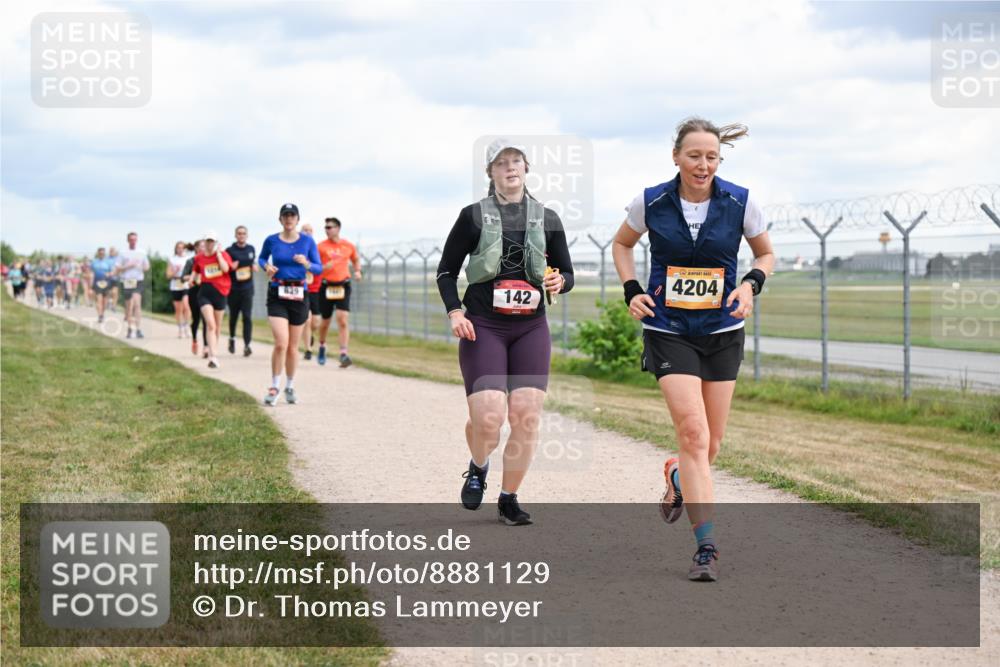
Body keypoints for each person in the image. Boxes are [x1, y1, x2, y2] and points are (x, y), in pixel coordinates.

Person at [612, 117, 775, 582]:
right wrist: (631, 289)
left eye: (711, 157)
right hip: (668, 327)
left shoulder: (741, 201)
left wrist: (750, 285)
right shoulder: (652, 201)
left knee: (711, 444)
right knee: (694, 435)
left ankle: (680, 478)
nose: (703, 165)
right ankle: (707, 547)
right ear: (676, 157)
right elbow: (622, 245)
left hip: (723, 329)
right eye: (694, 155)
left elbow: (765, 254)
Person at [436, 139, 574, 526]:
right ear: (490, 172)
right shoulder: (473, 216)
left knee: (526, 416)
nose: (509, 167)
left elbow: (568, 272)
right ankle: (478, 465)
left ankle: (509, 498)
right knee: (488, 419)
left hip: (530, 327)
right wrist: (454, 312)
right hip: (484, 326)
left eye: (516, 161)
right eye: (501, 163)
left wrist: (560, 281)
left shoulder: (547, 218)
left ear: (526, 168)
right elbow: (446, 271)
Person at [258, 203, 322, 406]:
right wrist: (266, 266)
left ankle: (290, 386)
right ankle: (275, 385)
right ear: (280, 219)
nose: (288, 219)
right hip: (277, 292)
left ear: (297, 219)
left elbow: (318, 268)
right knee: (280, 343)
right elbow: (261, 259)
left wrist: (306, 264)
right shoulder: (271, 240)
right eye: (285, 216)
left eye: (292, 216)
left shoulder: (307, 241)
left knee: (293, 348)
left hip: (299, 295)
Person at [316, 217, 362, 367]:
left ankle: (343, 353)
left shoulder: (348, 245)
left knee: (342, 319)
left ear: (338, 228)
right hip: (326, 286)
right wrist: (324, 268)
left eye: (330, 227)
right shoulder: (320, 247)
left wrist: (357, 271)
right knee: (325, 322)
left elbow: (355, 260)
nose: (327, 230)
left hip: (343, 285)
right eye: (326, 228)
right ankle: (322, 345)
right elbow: (314, 267)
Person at [192, 231, 233, 369]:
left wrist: (219, 254)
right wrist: (192, 279)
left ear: (216, 243)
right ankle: (213, 356)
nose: (209, 244)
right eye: (207, 241)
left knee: (217, 326)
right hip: (205, 293)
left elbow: (226, 268)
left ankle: (213, 350)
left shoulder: (223, 255)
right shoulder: (199, 257)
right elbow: (196, 270)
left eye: (212, 241)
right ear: (204, 242)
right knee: (210, 324)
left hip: (221, 293)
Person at [226, 225, 257, 357]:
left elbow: (253, 262)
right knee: (233, 317)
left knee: (247, 317)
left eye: (243, 233)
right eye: (239, 233)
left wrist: (254, 265)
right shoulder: (229, 250)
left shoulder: (251, 249)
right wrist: (231, 267)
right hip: (233, 289)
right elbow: (226, 268)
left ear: (247, 235)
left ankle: (247, 345)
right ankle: (232, 338)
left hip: (247, 288)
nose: (241, 235)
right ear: (235, 235)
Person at [114, 232, 150, 339]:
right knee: (129, 305)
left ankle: (138, 329)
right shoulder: (123, 253)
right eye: (131, 239)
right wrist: (128, 266)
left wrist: (141, 266)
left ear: (137, 240)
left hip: (138, 280)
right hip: (127, 281)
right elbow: (118, 269)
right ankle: (130, 328)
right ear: (128, 240)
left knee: (137, 304)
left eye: (135, 239)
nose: (133, 241)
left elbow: (146, 267)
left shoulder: (142, 252)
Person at [299, 222, 323, 361]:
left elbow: (320, 267)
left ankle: (310, 336)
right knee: (307, 321)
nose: (307, 232)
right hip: (302, 290)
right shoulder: (297, 249)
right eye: (305, 230)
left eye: (310, 230)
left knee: (315, 322)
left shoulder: (315, 250)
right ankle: (308, 349)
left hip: (315, 290)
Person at [182, 240, 209, 356]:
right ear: (196, 248)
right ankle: (194, 340)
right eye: (201, 246)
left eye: (205, 246)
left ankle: (206, 347)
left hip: (206, 292)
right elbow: (183, 277)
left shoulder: (209, 260)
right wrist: (194, 277)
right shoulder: (191, 261)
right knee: (196, 319)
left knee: (206, 320)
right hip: (194, 292)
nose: (203, 248)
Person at [166, 241, 191, 338]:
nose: (180, 249)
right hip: (175, 285)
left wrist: (186, 277)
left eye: (182, 248)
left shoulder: (188, 259)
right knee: (178, 309)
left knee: (186, 306)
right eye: (178, 248)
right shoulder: (172, 259)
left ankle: (187, 326)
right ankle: (180, 328)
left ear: (185, 249)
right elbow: (168, 275)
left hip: (185, 285)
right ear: (176, 249)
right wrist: (175, 272)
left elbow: (191, 273)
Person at [90, 247, 116, 323]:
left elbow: (113, 272)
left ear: (104, 254)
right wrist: (91, 285)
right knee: (99, 300)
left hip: (106, 283)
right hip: (97, 282)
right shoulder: (94, 262)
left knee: (105, 302)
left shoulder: (108, 262)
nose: (101, 254)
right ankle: (100, 315)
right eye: (100, 253)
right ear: (98, 253)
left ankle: (102, 313)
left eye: (103, 253)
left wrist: (109, 274)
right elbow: (91, 273)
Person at [107, 247, 120, 312]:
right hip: (108, 278)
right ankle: (109, 302)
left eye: (113, 251)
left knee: (115, 292)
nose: (112, 252)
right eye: (111, 251)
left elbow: (119, 268)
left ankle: (114, 306)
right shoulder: (107, 259)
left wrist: (116, 273)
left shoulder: (118, 259)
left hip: (115, 278)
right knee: (109, 292)